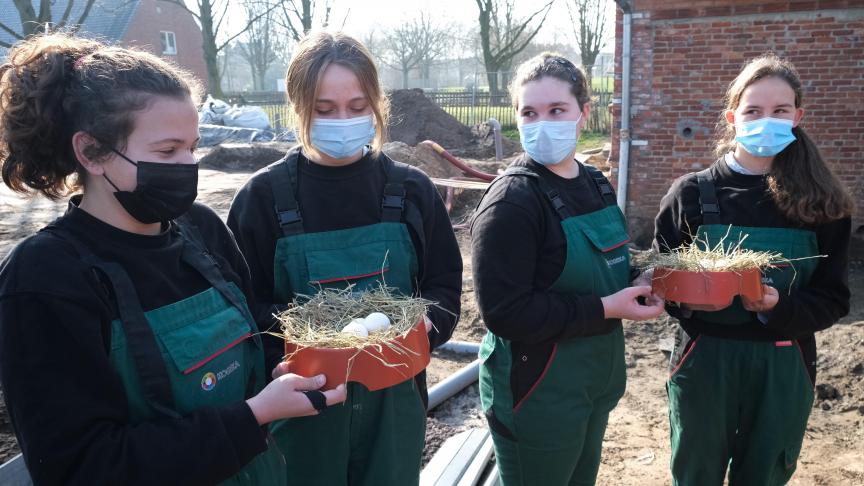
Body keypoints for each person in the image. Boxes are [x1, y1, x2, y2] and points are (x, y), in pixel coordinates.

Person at [0, 34, 345, 486]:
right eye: (167, 151)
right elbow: (83, 466)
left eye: (192, 147)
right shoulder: (45, 279)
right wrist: (252, 415)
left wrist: (275, 372)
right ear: (91, 152)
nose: (187, 167)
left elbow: (251, 336)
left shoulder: (200, 229)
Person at [226, 31, 462, 486]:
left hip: (394, 403)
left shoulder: (410, 191)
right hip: (302, 407)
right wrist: (311, 341)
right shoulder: (262, 199)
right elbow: (241, 312)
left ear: (376, 105)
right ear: (298, 109)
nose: (343, 120)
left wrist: (426, 325)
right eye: (324, 109)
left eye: (357, 107)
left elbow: (444, 287)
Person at [654, 53, 853, 485]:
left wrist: (778, 306)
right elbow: (661, 279)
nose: (767, 119)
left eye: (780, 110)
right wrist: (692, 294)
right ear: (733, 117)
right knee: (695, 471)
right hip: (705, 357)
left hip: (783, 359)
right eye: (754, 111)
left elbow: (834, 298)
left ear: (797, 116)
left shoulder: (822, 205)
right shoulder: (692, 194)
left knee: (764, 474)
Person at [470, 53, 665, 486]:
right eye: (529, 112)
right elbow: (505, 312)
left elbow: (610, 258)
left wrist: (639, 277)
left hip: (594, 382)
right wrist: (605, 309)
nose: (543, 122)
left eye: (557, 110)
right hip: (538, 392)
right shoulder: (512, 203)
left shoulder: (595, 183)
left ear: (583, 113)